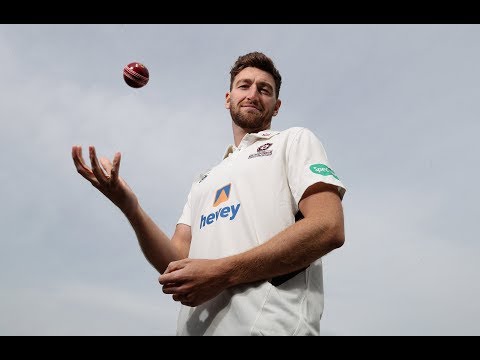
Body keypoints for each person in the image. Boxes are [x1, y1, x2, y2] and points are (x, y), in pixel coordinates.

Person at [72, 51, 346, 336]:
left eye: (264, 89)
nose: (253, 93)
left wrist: (223, 273)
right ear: (228, 99)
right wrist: (131, 207)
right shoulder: (204, 179)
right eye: (244, 85)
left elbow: (328, 227)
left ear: (276, 106)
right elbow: (175, 263)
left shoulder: (293, 141)